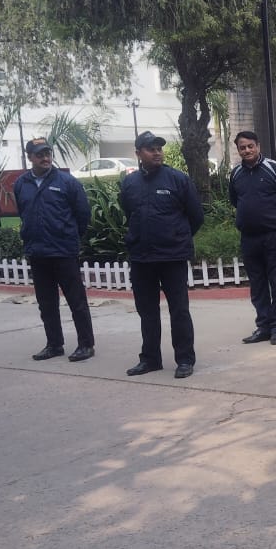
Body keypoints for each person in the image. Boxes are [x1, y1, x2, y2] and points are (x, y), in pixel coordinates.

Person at [119, 131, 205, 379]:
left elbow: (196, 216)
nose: (157, 152)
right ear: (138, 154)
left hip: (172, 257)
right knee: (147, 311)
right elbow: (129, 211)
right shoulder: (130, 183)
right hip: (142, 258)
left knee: (179, 310)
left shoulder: (178, 179)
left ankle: (185, 360)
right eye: (150, 148)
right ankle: (150, 359)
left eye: (159, 148)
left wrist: (177, 237)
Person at [12, 137, 95, 362]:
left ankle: (86, 344)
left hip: (63, 251)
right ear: (30, 157)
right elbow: (23, 213)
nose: (46, 158)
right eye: (40, 154)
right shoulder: (21, 184)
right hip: (37, 253)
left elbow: (82, 215)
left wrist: (69, 236)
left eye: (48, 153)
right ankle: (54, 344)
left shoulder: (67, 182)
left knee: (76, 301)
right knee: (46, 303)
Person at [229, 130, 276, 345]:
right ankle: (263, 327)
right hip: (249, 238)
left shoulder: (275, 169)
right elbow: (235, 200)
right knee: (257, 285)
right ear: (238, 150)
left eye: (250, 146)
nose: (247, 150)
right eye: (242, 147)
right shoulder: (236, 173)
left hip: (274, 236)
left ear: (258, 146)